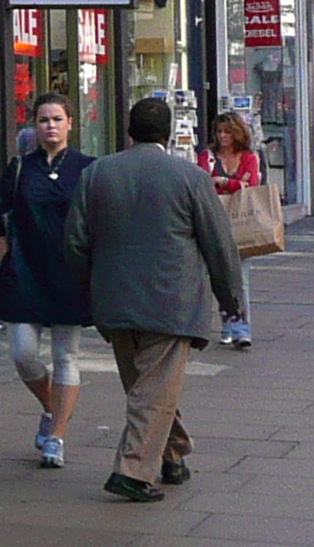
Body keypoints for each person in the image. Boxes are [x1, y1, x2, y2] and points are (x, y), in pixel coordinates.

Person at [65, 95, 246, 503]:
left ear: (129, 131)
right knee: (153, 392)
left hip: (114, 301)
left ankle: (173, 452)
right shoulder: (190, 177)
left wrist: (88, 286)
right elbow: (219, 244)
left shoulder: (97, 173)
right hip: (172, 300)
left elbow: (75, 240)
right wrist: (231, 299)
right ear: (168, 133)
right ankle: (132, 471)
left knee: (147, 389)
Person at [0, 93, 92, 469]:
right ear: (33, 126)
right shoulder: (20, 168)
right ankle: (52, 408)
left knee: (66, 355)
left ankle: (57, 437)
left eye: (57, 119)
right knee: (22, 353)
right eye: (43, 120)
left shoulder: (87, 169)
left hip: (70, 274)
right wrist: (8, 261)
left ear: (70, 123)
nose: (50, 126)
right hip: (26, 273)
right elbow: (0, 219)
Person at [206, 109, 264, 351]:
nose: (222, 137)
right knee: (219, 279)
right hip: (214, 223)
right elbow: (204, 182)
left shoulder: (249, 157)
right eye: (219, 132)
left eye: (227, 132)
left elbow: (250, 185)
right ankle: (227, 325)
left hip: (242, 224)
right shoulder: (207, 156)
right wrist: (232, 184)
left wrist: (221, 182)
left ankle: (241, 328)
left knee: (241, 279)